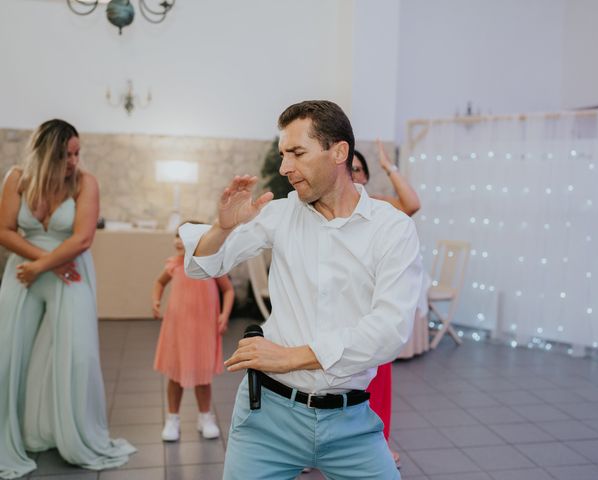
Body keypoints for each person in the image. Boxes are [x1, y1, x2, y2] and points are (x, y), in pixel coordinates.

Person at [179, 100, 422, 479]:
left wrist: (292, 357)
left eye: (296, 153)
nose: (284, 167)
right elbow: (206, 264)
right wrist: (222, 228)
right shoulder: (280, 213)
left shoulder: (391, 229)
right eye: (282, 154)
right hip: (268, 422)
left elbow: (389, 331)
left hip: (352, 425)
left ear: (339, 151)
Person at [0, 119, 136, 479]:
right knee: (10, 356)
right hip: (24, 272)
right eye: (66, 154)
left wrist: (47, 265)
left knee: (75, 356)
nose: (74, 160)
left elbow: (82, 240)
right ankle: (21, 434)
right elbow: (3, 230)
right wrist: (40, 264)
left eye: (78, 152)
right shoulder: (16, 178)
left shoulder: (84, 183)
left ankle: (72, 435)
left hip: (67, 270)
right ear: (46, 154)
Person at [351, 144, 422, 468]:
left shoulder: (376, 205)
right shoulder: (316, 208)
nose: (351, 174)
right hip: (334, 302)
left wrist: (388, 166)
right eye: (347, 168)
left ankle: (377, 443)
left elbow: (412, 204)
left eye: (357, 169)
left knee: (376, 373)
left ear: (365, 176)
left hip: (370, 299)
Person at [151, 222, 235, 442]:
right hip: (178, 328)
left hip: (203, 328)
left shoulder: (211, 266)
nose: (178, 241)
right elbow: (159, 283)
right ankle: (172, 418)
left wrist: (224, 314)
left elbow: (228, 291)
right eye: (176, 236)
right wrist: (156, 300)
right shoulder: (174, 265)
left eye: (183, 237)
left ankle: (205, 416)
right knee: (175, 375)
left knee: (202, 376)